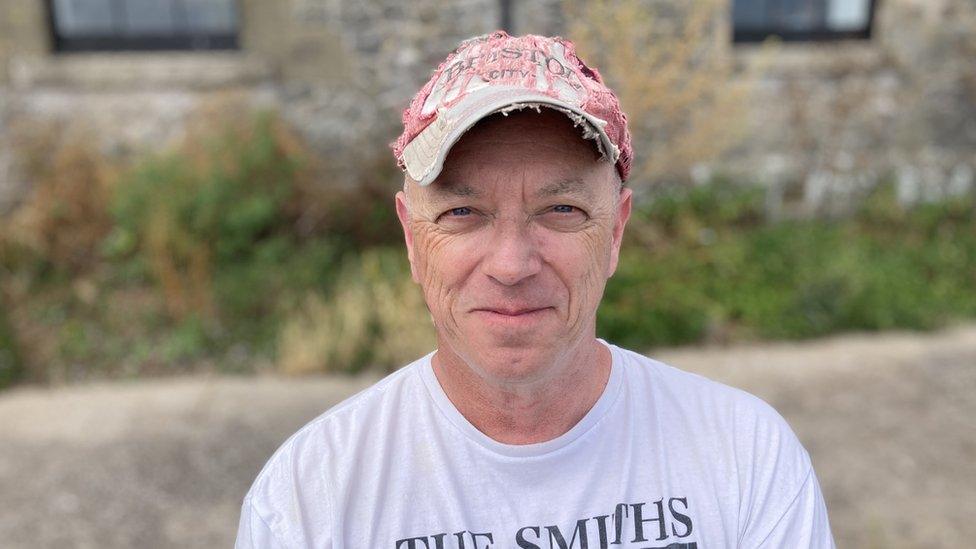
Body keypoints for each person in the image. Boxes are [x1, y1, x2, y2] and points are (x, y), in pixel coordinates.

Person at [236, 31, 835, 548]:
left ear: (617, 232)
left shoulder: (746, 458)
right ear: (413, 240)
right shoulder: (309, 498)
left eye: (562, 209)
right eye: (463, 212)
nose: (513, 264)